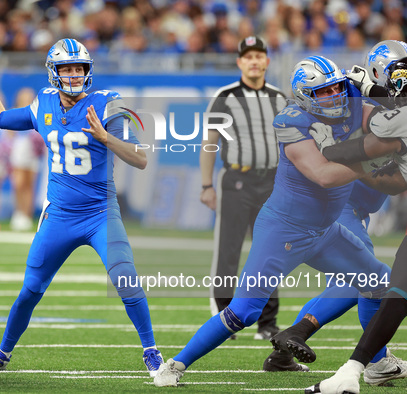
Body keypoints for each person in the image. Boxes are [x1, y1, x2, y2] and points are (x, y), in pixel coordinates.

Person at [154, 55, 393, 387]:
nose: (336, 96)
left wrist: (385, 104)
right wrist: (371, 160)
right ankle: (175, 365)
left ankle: (377, 364)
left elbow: (387, 120)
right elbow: (323, 176)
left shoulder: (353, 99)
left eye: (337, 87)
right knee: (244, 312)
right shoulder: (291, 121)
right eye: (324, 92)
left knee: (379, 284)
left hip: (325, 231)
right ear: (305, 96)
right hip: (285, 229)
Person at [0, 38, 163, 375]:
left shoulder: (107, 103)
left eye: (79, 68)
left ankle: (152, 351)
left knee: (126, 279)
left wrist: (107, 138)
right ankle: (1, 353)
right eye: (67, 68)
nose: (73, 74)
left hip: (100, 212)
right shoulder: (44, 103)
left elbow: (140, 158)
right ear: (54, 72)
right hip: (59, 215)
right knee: (30, 290)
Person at [264, 41, 407, 381]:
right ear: (378, 73)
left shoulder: (375, 98)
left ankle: (284, 351)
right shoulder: (358, 103)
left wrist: (371, 87)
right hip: (341, 204)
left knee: (361, 279)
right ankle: (374, 362)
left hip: (354, 207)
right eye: (398, 72)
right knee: (371, 279)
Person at [305, 57, 407, 394]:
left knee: (389, 289)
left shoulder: (392, 114)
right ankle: (365, 365)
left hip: (354, 204)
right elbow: (390, 174)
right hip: (349, 206)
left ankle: (355, 367)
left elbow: (378, 140)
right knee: (386, 288)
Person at [200, 35, 287, 341]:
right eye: (247, 56)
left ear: (267, 61)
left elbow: (292, 145)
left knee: (270, 251)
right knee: (229, 250)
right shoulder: (225, 96)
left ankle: (267, 322)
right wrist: (207, 185)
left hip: (272, 182)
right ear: (239, 62)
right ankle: (225, 316)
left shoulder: (279, 98)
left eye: (258, 55)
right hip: (236, 181)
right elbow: (209, 144)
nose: (253, 61)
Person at [9, 87, 45, 232]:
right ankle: (18, 213)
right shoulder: (14, 112)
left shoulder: (37, 113)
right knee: (18, 183)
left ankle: (27, 215)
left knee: (29, 185)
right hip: (18, 150)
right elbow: (9, 133)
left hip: (32, 152)